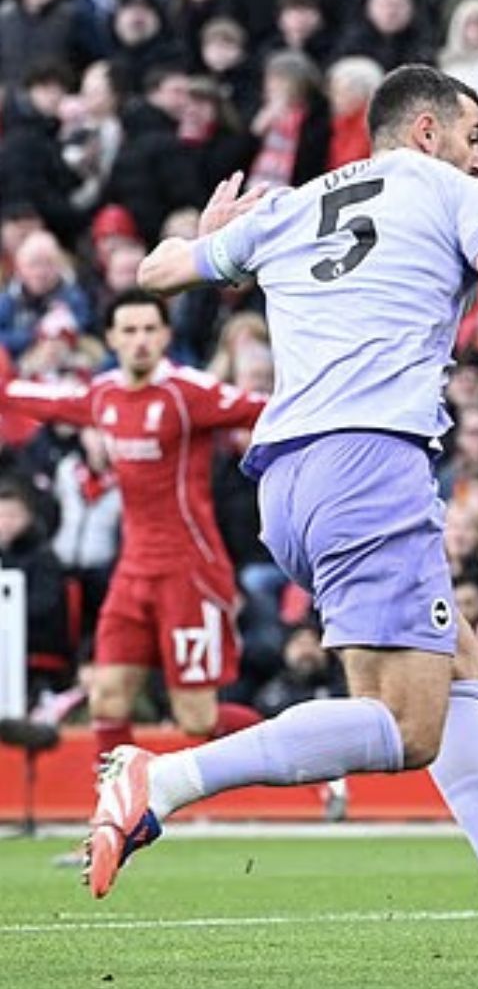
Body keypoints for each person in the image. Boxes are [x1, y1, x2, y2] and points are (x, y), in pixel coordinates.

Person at [84, 64, 478, 964]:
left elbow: (157, 271)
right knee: (405, 727)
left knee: (458, 663)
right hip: (370, 466)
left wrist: (210, 239)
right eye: (475, 136)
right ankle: (162, 779)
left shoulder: (292, 206)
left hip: (285, 483)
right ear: (428, 132)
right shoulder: (453, 193)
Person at [0, 288, 268, 777]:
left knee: (196, 718)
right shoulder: (104, 395)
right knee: (107, 699)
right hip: (133, 572)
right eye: (130, 330)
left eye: (150, 329)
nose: (141, 339)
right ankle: (118, 812)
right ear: (111, 338)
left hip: (190, 571)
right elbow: (37, 400)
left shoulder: (189, 394)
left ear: (165, 335)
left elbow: (264, 408)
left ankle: (313, 764)